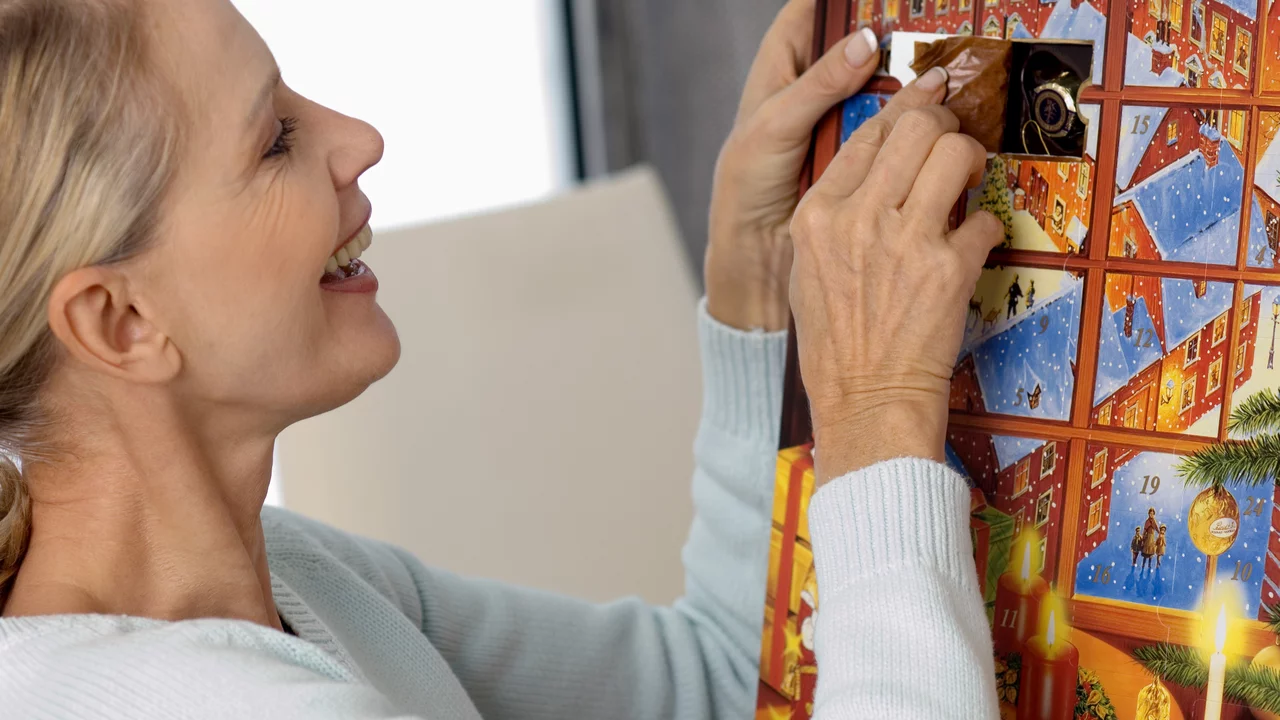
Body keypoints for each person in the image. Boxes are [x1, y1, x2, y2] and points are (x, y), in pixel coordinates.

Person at [0, 0, 1001, 718]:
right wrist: (876, 419)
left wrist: (751, 290)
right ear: (120, 323)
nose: (359, 137)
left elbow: (716, 681)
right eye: (275, 139)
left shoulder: (299, 579)